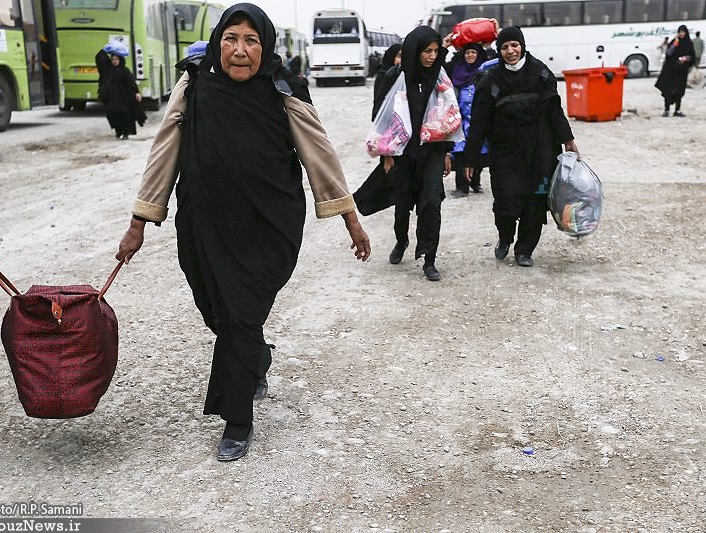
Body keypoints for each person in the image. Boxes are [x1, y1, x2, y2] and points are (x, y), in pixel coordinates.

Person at [116, 3, 370, 461]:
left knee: (239, 316)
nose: (240, 50)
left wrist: (350, 218)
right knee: (217, 310)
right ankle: (256, 356)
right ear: (217, 42)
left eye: (251, 41)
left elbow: (319, 153)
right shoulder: (195, 83)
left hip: (267, 227)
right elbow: (164, 150)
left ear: (265, 46)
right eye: (231, 38)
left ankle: (237, 420)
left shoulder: (283, 87)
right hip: (204, 222)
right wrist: (139, 221)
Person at [463, 26, 578, 267]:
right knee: (505, 200)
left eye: (514, 45)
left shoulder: (541, 73)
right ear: (499, 51)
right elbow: (480, 122)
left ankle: (524, 250)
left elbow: (553, 109)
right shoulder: (490, 79)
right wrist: (470, 159)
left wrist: (568, 139)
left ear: (522, 46)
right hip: (505, 151)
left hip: (540, 148)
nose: (510, 51)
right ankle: (505, 238)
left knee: (536, 202)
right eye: (504, 47)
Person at [369, 26, 453, 281]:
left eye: (436, 51)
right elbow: (381, 117)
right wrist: (387, 154)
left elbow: (449, 116)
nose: (431, 56)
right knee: (403, 203)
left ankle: (429, 258)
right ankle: (401, 240)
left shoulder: (439, 77)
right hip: (404, 153)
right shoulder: (396, 77)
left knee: (431, 204)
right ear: (415, 51)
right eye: (427, 51)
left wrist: (448, 152)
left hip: (433, 152)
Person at [446, 42, 487, 197]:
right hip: (461, 123)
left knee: (479, 153)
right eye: (467, 52)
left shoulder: (485, 72)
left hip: (479, 121)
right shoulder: (457, 71)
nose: (470, 55)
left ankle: (475, 182)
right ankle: (462, 187)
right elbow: (441, 65)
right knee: (461, 153)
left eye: (473, 52)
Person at [655, 26, 696, 117]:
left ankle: (677, 110)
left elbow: (692, 56)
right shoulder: (674, 42)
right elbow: (669, 53)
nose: (681, 34)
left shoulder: (689, 43)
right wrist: (675, 43)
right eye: (680, 32)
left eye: (683, 32)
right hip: (671, 71)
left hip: (682, 71)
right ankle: (666, 109)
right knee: (668, 90)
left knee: (679, 90)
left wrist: (685, 58)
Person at [102, 52, 145, 139]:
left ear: (120, 60)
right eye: (113, 59)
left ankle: (126, 132)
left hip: (124, 97)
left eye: (116, 59)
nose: (114, 61)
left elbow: (131, 83)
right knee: (112, 114)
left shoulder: (125, 71)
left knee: (124, 115)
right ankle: (118, 131)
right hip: (113, 97)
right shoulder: (109, 71)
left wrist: (136, 92)